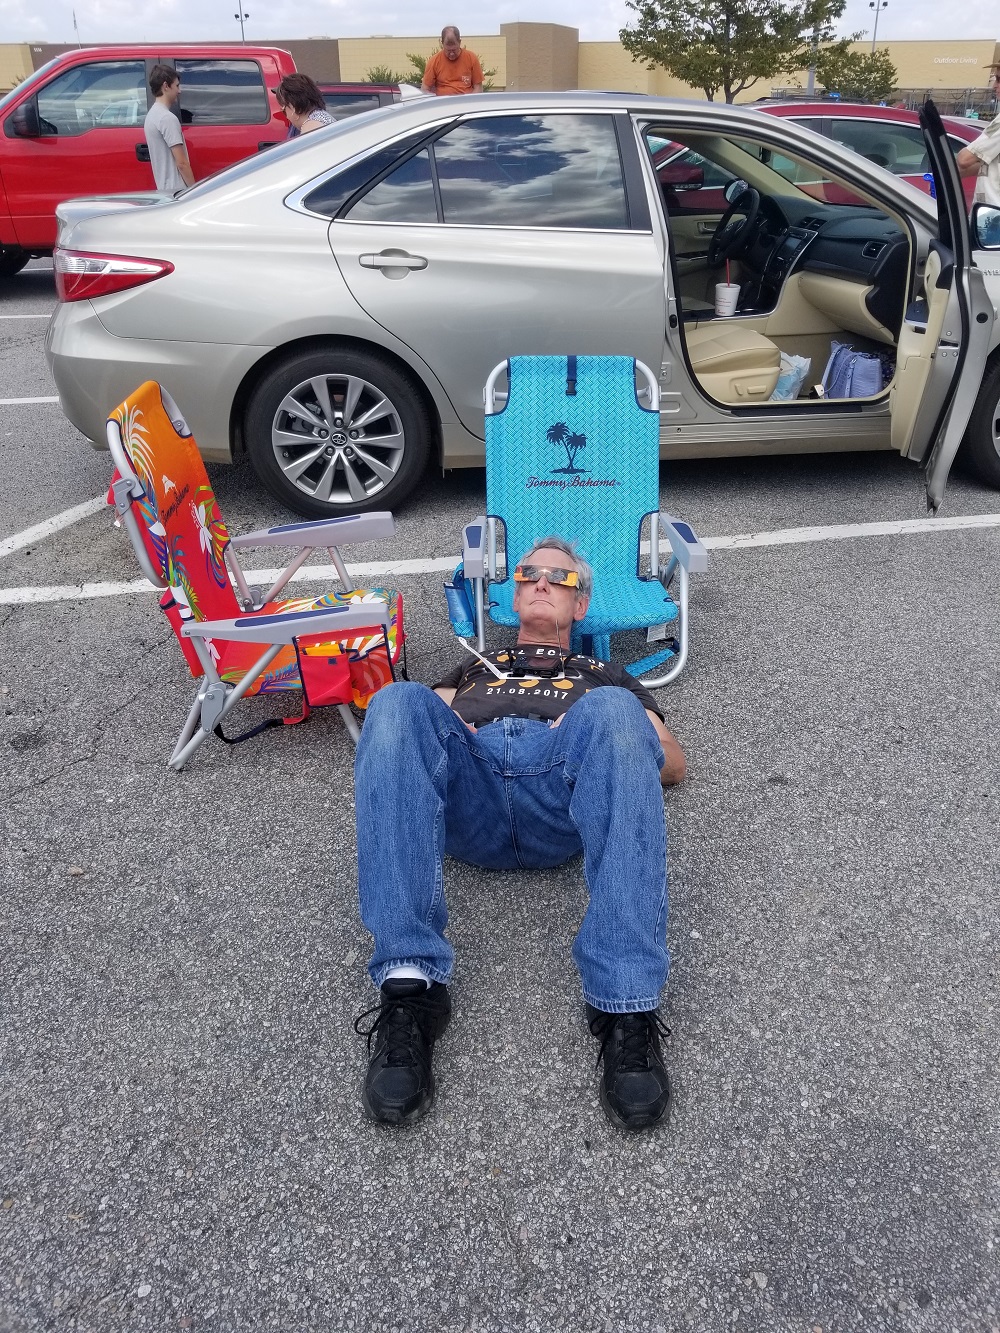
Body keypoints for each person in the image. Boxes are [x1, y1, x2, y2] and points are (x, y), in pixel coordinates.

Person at [352, 537, 686, 1133]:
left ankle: (626, 1009)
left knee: (613, 713)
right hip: (473, 796)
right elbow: (407, 740)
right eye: (530, 572)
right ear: (513, 593)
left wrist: (600, 738)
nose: (540, 582)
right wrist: (454, 726)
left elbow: (673, 761)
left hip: (558, 793)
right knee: (396, 701)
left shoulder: (601, 678)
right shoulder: (475, 668)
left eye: (558, 578)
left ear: (579, 605)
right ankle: (410, 992)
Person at [143, 64, 194, 197]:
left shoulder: (152, 115)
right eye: (177, 85)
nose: (179, 91)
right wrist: (194, 190)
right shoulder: (167, 118)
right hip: (178, 191)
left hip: (164, 190)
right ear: (166, 86)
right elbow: (182, 163)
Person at [957, 65, 1000, 208]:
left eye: (999, 80)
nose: (995, 86)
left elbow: (965, 159)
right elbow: (988, 162)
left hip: (994, 216)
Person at [420, 26, 484, 96]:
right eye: (448, 50)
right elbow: (425, 89)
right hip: (442, 103)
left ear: (459, 42)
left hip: (466, 102)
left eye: (454, 50)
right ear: (442, 43)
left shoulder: (471, 58)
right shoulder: (434, 61)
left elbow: (478, 87)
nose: (451, 53)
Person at [273, 73, 336, 137]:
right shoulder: (321, 118)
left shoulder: (311, 127)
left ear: (293, 107)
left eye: (284, 110)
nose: (287, 117)